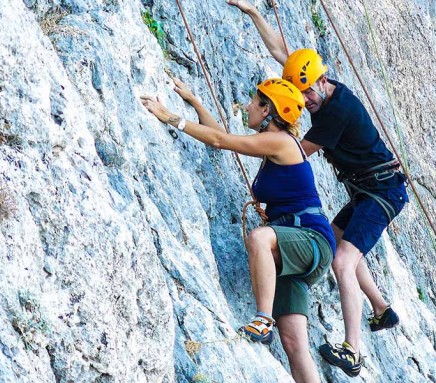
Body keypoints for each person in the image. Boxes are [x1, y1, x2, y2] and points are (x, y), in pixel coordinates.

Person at [228, 0, 409, 377]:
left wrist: (263, 142)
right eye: (301, 92)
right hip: (367, 189)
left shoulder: (336, 112)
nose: (305, 100)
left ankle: (353, 350)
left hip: (383, 190)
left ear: (323, 81)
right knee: (339, 236)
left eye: (308, 92)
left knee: (343, 260)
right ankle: (380, 308)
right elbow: (283, 52)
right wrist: (253, 13)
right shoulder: (317, 90)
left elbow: (297, 152)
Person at [141, 77, 335, 383]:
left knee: (258, 238)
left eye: (254, 102)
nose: (247, 107)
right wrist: (195, 101)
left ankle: (262, 320)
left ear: (268, 110)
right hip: (295, 252)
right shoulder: (272, 143)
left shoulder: (281, 141)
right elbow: (223, 136)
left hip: (310, 240)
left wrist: (171, 118)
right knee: (296, 345)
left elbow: (220, 141)